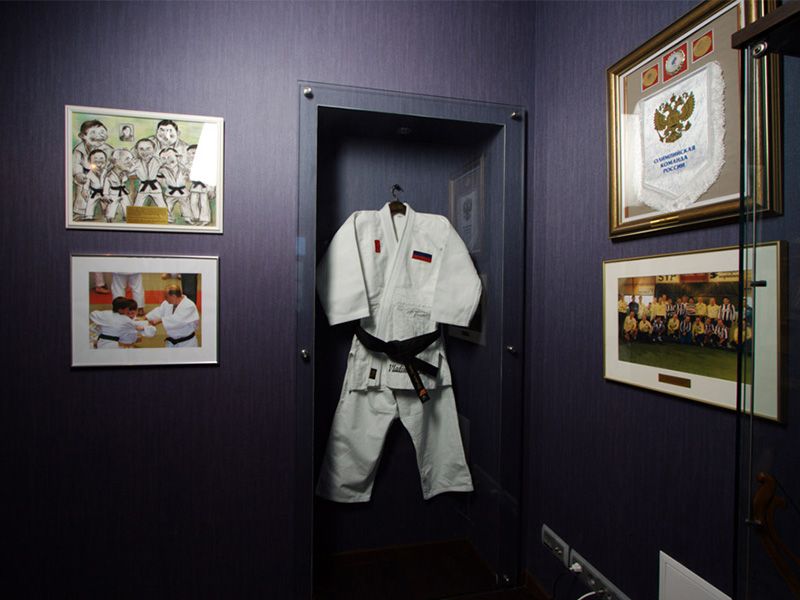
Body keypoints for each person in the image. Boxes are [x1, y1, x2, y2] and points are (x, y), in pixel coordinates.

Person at [315, 203, 478, 503]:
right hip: (372, 359)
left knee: (443, 455)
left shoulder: (437, 229)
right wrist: (344, 309)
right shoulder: (360, 225)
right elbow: (332, 269)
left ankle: (448, 482)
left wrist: (454, 313)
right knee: (349, 451)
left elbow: (463, 279)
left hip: (422, 356)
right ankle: (341, 488)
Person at [71, 119, 113, 221]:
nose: (99, 136)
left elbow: (112, 163)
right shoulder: (79, 150)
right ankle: (81, 213)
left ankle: (108, 213)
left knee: (107, 195)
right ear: (82, 136)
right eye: (93, 132)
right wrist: (78, 173)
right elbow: (75, 164)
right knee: (83, 192)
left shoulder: (108, 149)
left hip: (103, 176)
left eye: (102, 132)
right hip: (86, 176)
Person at [90, 297, 155, 349]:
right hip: (112, 345)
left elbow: (92, 314)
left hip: (100, 341)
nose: (128, 310)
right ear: (120, 310)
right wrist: (145, 326)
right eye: (127, 309)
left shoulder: (104, 314)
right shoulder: (125, 319)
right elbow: (149, 330)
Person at [157, 147, 189, 224]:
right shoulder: (162, 170)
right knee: (168, 205)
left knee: (185, 205)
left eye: (169, 157)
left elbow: (188, 177)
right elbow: (159, 179)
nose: (167, 160)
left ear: (178, 157)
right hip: (170, 191)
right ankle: (168, 218)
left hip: (182, 191)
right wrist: (165, 185)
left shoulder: (183, 168)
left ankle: (187, 217)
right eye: (164, 158)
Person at [132, 138, 166, 209]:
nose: (145, 152)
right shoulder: (136, 163)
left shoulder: (157, 161)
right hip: (143, 187)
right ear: (137, 150)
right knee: (137, 205)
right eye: (141, 149)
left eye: (148, 148)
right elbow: (129, 171)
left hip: (155, 187)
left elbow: (166, 164)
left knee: (162, 205)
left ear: (154, 149)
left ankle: (168, 215)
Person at [103, 148, 134, 222]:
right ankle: (109, 218)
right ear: (116, 161)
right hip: (113, 194)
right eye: (127, 159)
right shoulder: (109, 175)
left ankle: (127, 217)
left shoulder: (125, 173)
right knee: (112, 206)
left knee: (127, 205)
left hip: (123, 193)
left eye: (131, 159)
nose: (131, 163)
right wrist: (106, 195)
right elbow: (106, 186)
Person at [80, 148, 108, 221]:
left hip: (104, 192)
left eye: (101, 160)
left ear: (105, 162)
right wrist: (85, 190)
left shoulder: (106, 172)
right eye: (95, 161)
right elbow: (86, 184)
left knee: (107, 204)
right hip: (94, 192)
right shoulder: (89, 174)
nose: (99, 164)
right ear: (90, 163)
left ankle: (107, 214)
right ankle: (89, 216)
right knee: (90, 203)